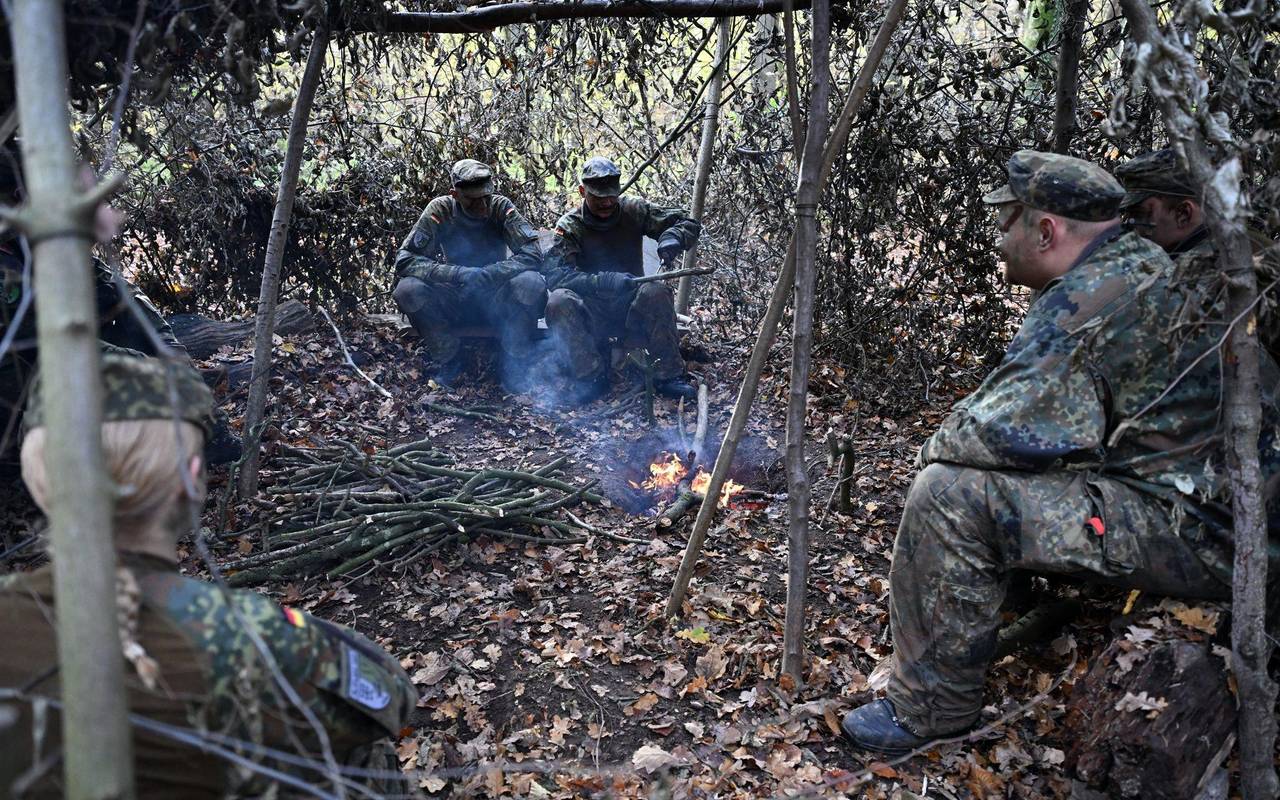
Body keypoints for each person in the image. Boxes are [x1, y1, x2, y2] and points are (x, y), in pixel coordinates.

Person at [839, 150, 1280, 755]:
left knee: (945, 494)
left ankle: (931, 710)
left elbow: (998, 432)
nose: (997, 240)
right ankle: (1006, 616)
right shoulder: (1143, 259)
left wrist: (930, 451)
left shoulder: (1086, 299)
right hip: (1232, 516)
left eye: (1005, 223)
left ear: (1045, 231)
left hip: (1213, 537)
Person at [0, 353, 416, 797]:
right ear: (192, 478)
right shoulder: (244, 636)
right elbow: (391, 698)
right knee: (361, 759)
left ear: (39, 481)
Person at [542, 156, 701, 402]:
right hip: (591, 312)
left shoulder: (633, 210)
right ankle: (590, 377)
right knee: (558, 302)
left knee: (655, 291)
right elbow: (554, 275)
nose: (607, 202)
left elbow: (686, 223)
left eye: (611, 195)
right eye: (598, 197)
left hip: (632, 309)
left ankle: (668, 375)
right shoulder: (570, 226)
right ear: (583, 192)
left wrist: (672, 238)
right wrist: (602, 281)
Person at [392, 158, 546, 389]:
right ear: (455, 195)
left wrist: (492, 273)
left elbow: (533, 253)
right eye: (474, 201)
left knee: (531, 283)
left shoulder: (500, 208)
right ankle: (449, 359)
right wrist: (456, 274)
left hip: (495, 297)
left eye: (486, 197)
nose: (483, 206)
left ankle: (515, 362)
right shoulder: (441, 210)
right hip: (455, 296)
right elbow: (405, 260)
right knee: (407, 290)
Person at [1116, 147, 1278, 360]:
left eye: (1139, 214)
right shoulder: (1247, 242)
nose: (1133, 227)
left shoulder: (1206, 272)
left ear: (1184, 214)